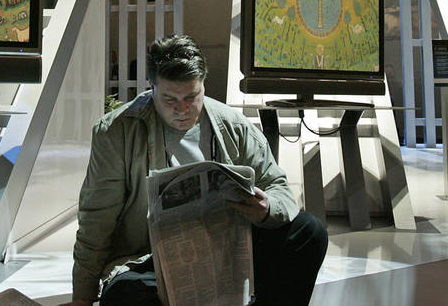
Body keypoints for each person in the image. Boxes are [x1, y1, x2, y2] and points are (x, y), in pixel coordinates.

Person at [63, 35, 327, 306]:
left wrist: (267, 207)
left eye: (192, 96)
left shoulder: (233, 125)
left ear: (203, 85)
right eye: (170, 99)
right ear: (152, 88)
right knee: (125, 295)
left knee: (309, 231)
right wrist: (82, 297)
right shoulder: (117, 132)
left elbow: (277, 185)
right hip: (154, 261)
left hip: (226, 249)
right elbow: (96, 220)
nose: (182, 109)